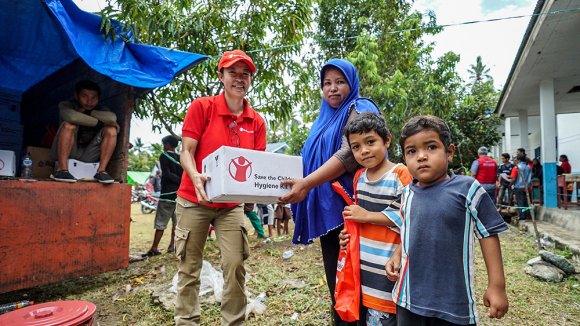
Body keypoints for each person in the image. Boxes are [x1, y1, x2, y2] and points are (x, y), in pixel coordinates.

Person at [279, 58, 380, 325]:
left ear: (352, 83)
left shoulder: (360, 107)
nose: (332, 89)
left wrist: (306, 184)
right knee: (338, 282)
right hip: (329, 212)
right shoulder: (322, 121)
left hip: (356, 211)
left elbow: (349, 155)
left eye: (340, 82)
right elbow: (307, 160)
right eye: (327, 83)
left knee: (360, 283)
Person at [386, 115, 509, 325]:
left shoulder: (468, 189)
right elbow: (408, 229)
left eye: (431, 147)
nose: (421, 156)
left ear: (449, 152)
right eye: (412, 151)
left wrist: (497, 285)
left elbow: (488, 233)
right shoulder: (406, 194)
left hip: (453, 304)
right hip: (408, 298)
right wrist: (397, 255)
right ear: (405, 159)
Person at [173, 50, 266, 325]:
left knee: (236, 264)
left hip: (230, 206)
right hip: (193, 199)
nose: (239, 79)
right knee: (189, 268)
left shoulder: (256, 122)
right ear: (221, 76)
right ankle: (187, 321)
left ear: (250, 79)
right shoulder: (202, 107)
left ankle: (233, 321)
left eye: (245, 74)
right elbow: (186, 152)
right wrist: (195, 174)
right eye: (233, 73)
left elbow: (256, 166)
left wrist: (255, 195)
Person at [339, 113, 412, 325]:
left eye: (370, 142)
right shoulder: (358, 177)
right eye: (356, 147)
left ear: (387, 140)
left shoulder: (401, 174)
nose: (364, 150)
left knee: (388, 313)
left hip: (390, 264)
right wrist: (348, 236)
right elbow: (357, 220)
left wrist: (367, 215)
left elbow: (410, 215)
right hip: (365, 269)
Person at [50, 80, 117, 183]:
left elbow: (112, 119)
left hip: (88, 154)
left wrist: (88, 112)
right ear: (76, 96)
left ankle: (102, 171)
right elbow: (72, 116)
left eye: (93, 97)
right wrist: (100, 122)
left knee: (111, 130)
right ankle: (62, 170)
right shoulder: (67, 105)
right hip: (67, 152)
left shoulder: (101, 109)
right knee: (69, 125)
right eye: (84, 96)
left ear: (98, 98)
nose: (89, 101)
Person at [142, 136, 182, 257]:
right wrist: (181, 182)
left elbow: (167, 174)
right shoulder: (180, 158)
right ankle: (172, 246)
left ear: (168, 145)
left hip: (166, 195)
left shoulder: (164, 156)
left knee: (161, 222)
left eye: (164, 144)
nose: (163, 147)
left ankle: (154, 248)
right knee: (176, 223)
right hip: (178, 195)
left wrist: (175, 180)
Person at [509, 154, 532, 220]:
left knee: (520, 202)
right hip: (527, 187)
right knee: (526, 202)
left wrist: (510, 185)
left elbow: (513, 179)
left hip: (519, 187)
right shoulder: (529, 167)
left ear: (518, 160)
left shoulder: (516, 168)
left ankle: (522, 216)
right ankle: (527, 215)